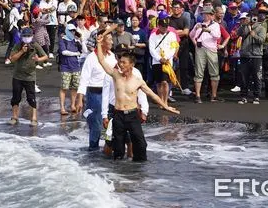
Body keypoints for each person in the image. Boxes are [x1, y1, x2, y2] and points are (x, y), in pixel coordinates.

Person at [95, 31, 179, 161]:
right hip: (118, 115)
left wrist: (166, 106)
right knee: (118, 147)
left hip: (133, 115)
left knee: (140, 144)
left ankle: (139, 172)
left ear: (131, 64)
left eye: (123, 62)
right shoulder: (115, 75)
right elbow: (101, 60)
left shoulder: (137, 79)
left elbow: (152, 95)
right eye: (120, 61)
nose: (120, 64)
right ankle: (118, 175)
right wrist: (99, 44)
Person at [8, 27, 48, 127]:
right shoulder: (18, 45)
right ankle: (14, 117)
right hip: (17, 76)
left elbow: (45, 56)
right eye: (25, 36)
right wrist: (22, 51)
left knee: (31, 98)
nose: (27, 38)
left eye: (28, 36)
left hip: (30, 76)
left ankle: (34, 118)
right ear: (22, 37)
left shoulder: (35, 45)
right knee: (16, 97)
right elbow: (12, 59)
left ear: (32, 36)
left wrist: (38, 59)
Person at [190, 6, 222, 103]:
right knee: (199, 72)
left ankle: (214, 95)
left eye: (206, 14)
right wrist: (196, 29)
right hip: (200, 49)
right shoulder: (199, 24)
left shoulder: (215, 25)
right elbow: (191, 35)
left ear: (211, 15)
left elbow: (217, 36)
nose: (204, 16)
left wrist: (208, 30)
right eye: (204, 14)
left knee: (214, 73)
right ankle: (198, 96)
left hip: (211, 49)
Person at [149, 14, 179, 107]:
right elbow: (151, 49)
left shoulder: (172, 35)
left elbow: (173, 48)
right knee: (158, 82)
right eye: (163, 27)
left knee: (165, 82)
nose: (165, 29)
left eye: (166, 27)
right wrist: (159, 58)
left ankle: (165, 101)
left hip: (167, 61)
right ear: (159, 26)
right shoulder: (153, 36)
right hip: (157, 61)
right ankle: (161, 100)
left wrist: (166, 58)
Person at [236, 12, 266, 104]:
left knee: (257, 77)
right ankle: (243, 96)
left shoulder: (261, 28)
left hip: (256, 55)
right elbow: (238, 33)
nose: (252, 20)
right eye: (250, 18)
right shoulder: (245, 26)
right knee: (244, 77)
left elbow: (262, 40)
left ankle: (256, 96)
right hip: (245, 55)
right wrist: (244, 25)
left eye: (254, 18)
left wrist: (254, 35)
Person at [58, 23, 82, 115]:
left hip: (76, 67)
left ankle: (72, 105)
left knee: (74, 87)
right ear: (67, 31)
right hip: (65, 67)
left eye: (73, 31)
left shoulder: (75, 41)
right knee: (64, 88)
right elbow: (64, 52)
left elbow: (83, 50)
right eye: (71, 30)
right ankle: (62, 108)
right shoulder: (62, 40)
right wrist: (76, 53)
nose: (72, 32)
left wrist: (80, 40)